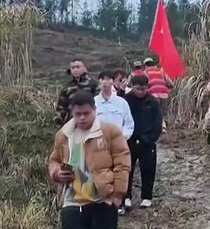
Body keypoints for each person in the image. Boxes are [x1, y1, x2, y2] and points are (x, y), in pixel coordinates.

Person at [47, 91, 130, 229]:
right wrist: (57, 174)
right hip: (72, 200)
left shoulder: (109, 131)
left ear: (94, 110)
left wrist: (118, 193)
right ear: (72, 112)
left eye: (86, 113)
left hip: (102, 199)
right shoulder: (63, 134)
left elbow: (123, 162)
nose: (82, 118)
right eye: (77, 114)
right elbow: (54, 160)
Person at [94, 70, 135, 214]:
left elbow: (129, 123)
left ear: (113, 81)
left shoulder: (121, 103)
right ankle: (103, 203)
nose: (106, 82)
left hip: (118, 145)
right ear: (99, 82)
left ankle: (120, 203)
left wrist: (122, 138)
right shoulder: (94, 103)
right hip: (99, 145)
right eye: (102, 79)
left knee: (119, 173)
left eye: (108, 79)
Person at [123, 75, 163, 209]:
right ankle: (126, 196)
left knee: (148, 169)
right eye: (138, 89)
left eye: (143, 89)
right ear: (132, 87)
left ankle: (146, 196)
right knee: (127, 169)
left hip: (147, 141)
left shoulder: (152, 101)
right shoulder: (125, 100)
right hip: (129, 140)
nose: (141, 92)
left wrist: (150, 138)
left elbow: (157, 123)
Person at [55, 59, 100, 125]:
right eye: (73, 68)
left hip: (91, 121)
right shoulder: (67, 87)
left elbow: (99, 103)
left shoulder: (93, 84)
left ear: (85, 68)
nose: (75, 70)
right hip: (72, 122)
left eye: (78, 67)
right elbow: (61, 107)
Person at [143, 57, 173, 132]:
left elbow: (144, 84)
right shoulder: (161, 71)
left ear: (145, 66)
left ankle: (161, 127)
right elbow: (170, 83)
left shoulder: (146, 72)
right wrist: (169, 89)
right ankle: (164, 125)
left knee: (156, 111)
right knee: (164, 111)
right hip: (164, 94)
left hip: (153, 94)